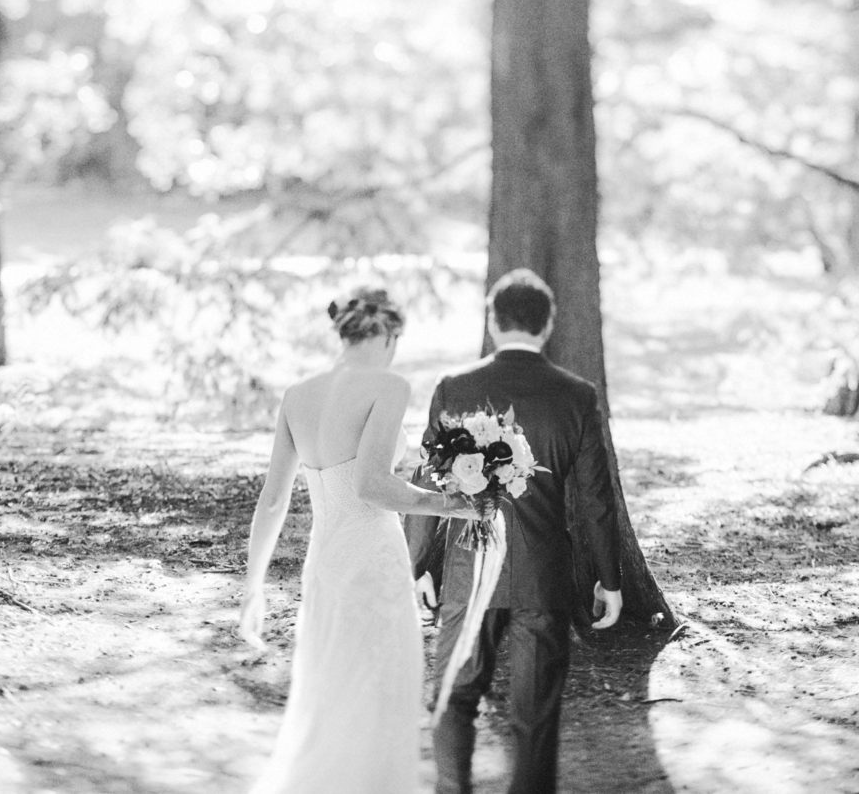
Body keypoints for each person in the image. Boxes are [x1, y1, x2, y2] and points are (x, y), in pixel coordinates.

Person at [239, 287, 479, 794]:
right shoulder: (388, 386)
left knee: (329, 693)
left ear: (343, 331)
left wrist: (253, 585)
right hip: (372, 563)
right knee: (378, 694)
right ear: (391, 336)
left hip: (325, 564)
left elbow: (273, 501)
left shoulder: (297, 395)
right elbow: (373, 486)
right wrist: (447, 504)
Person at [407, 268, 623, 794]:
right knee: (535, 717)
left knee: (453, 698)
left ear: (492, 319)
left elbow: (427, 484)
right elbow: (596, 497)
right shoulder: (577, 395)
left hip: (466, 572)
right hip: (542, 576)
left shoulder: (454, 388)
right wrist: (609, 580)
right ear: (547, 326)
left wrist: (417, 566)